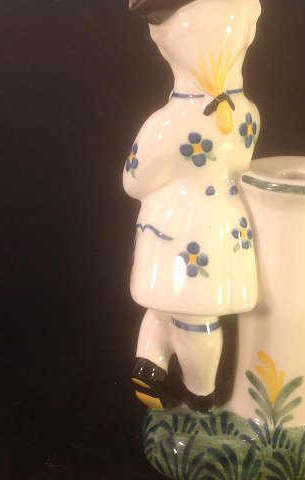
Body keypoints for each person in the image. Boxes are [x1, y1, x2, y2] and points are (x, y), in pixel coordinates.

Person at [124, 0, 261, 412]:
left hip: (176, 226)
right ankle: (158, 365)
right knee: (182, 306)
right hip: (225, 223)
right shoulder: (250, 115)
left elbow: (133, 180)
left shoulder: (167, 123)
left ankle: (196, 390)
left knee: (184, 309)